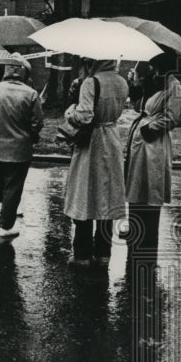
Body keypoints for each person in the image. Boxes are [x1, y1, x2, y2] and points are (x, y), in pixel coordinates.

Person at [62, 59, 129, 266]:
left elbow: (84, 116)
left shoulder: (91, 82)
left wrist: (70, 111)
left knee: (85, 194)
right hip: (112, 138)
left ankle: (81, 254)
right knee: (106, 197)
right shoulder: (122, 82)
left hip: (92, 143)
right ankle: (103, 254)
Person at [0, 52, 43, 241]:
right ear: (23, 72)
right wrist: (31, 136)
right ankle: (6, 226)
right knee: (13, 188)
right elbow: (37, 122)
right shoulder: (31, 93)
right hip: (20, 151)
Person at [124, 53, 181, 255]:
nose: (149, 66)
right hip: (140, 141)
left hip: (154, 143)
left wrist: (150, 129)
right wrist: (134, 86)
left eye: (152, 63)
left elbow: (172, 118)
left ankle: (148, 236)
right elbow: (139, 107)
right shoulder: (152, 82)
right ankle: (135, 228)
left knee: (151, 185)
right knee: (136, 184)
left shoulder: (173, 86)